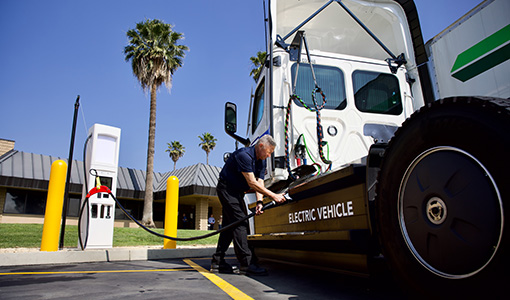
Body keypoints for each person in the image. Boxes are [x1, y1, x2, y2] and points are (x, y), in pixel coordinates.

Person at [210, 135, 286, 276]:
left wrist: (259, 202)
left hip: (237, 192)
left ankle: (217, 261)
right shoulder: (244, 155)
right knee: (241, 223)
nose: (269, 155)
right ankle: (247, 264)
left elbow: (260, 182)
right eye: (269, 152)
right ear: (261, 146)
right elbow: (252, 183)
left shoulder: (261, 160)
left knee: (229, 226)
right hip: (226, 189)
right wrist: (274, 196)